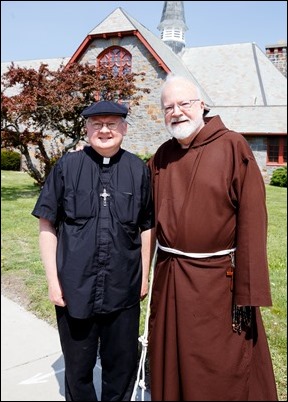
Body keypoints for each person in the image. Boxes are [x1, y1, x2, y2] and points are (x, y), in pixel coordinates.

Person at [147, 74, 279, 401]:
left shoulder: (232, 146)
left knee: (220, 363)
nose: (176, 112)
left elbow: (252, 219)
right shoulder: (161, 156)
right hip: (170, 275)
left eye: (184, 103)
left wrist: (247, 293)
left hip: (217, 282)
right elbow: (144, 219)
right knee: (171, 357)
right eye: (169, 107)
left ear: (201, 105)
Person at [31, 100, 154, 401]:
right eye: (97, 124)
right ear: (86, 129)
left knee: (121, 368)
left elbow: (147, 225)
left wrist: (144, 276)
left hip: (123, 287)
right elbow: (47, 225)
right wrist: (52, 281)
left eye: (112, 123)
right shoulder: (67, 167)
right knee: (78, 370)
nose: (104, 130)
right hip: (75, 287)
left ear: (124, 128)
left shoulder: (139, 170)